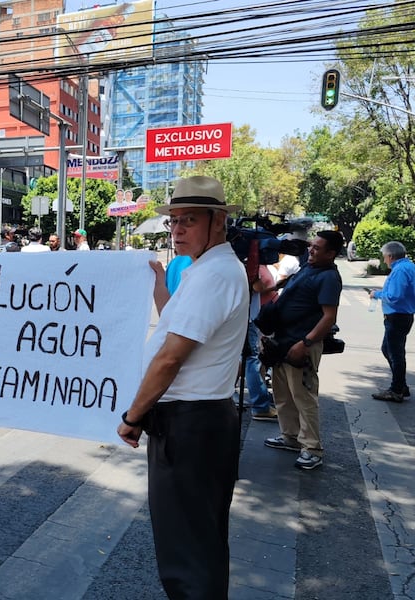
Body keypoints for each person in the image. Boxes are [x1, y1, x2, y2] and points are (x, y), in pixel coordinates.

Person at [117, 176, 247, 600]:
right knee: (196, 540)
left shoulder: (215, 274)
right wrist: (158, 283)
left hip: (191, 424)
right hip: (196, 422)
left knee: (188, 549)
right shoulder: (205, 269)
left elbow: (171, 357)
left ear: (219, 221)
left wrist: (133, 416)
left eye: (189, 220)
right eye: (174, 221)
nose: (177, 230)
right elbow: (179, 322)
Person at [263, 230, 343, 471]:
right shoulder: (309, 267)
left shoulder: (329, 277)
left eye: (318, 248)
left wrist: (306, 343)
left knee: (303, 396)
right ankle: (290, 436)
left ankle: (312, 448)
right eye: (312, 246)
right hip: (282, 340)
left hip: (302, 343)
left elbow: (329, 317)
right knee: (282, 392)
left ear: (331, 253)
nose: (312, 251)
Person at [368, 241, 415, 402]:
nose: (384, 260)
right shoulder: (408, 267)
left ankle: (397, 389)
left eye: (384, 257)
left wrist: (377, 295)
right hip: (404, 315)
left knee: (395, 353)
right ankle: (400, 385)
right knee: (389, 350)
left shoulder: (400, 271)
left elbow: (394, 297)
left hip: (397, 316)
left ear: (390, 256)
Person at [246, 263, 278, 420]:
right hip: (248, 318)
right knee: (253, 360)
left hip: (249, 317)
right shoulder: (248, 260)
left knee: (246, 358)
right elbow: (257, 287)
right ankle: (260, 405)